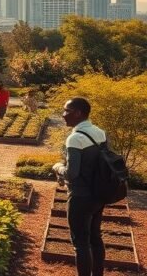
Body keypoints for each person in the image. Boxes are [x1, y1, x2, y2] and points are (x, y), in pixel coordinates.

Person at [52, 97, 108, 276]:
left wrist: (58, 167)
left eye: (66, 111)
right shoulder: (99, 132)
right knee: (95, 238)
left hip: (80, 197)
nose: (63, 115)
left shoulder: (75, 138)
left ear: (78, 113)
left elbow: (72, 173)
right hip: (98, 194)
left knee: (81, 243)